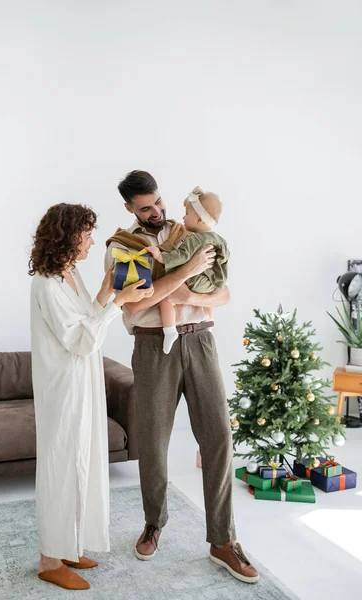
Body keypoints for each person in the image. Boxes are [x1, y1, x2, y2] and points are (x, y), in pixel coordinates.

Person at [104, 171, 259, 584]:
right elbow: (136, 308)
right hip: (154, 347)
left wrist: (189, 294)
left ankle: (222, 541)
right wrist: (188, 269)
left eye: (157, 202)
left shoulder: (189, 229)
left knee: (220, 436)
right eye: (145, 207)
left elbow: (224, 293)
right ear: (129, 209)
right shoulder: (123, 246)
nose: (156, 211)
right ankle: (154, 523)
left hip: (201, 340)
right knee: (152, 440)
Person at [29, 203, 153, 591]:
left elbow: (89, 317)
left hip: (83, 384)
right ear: (68, 236)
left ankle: (69, 545)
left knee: (84, 464)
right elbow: (81, 339)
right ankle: (50, 559)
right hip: (64, 389)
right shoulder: (47, 284)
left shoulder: (69, 274)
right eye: (86, 234)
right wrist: (116, 302)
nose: (92, 241)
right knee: (62, 468)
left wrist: (106, 291)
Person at [146, 186, 229, 353]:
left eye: (187, 213)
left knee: (166, 295)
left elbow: (180, 256)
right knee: (208, 296)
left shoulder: (194, 240)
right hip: (210, 282)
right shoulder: (219, 239)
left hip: (194, 280)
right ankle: (210, 321)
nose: (183, 217)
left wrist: (161, 256)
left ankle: (169, 331)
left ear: (199, 220)